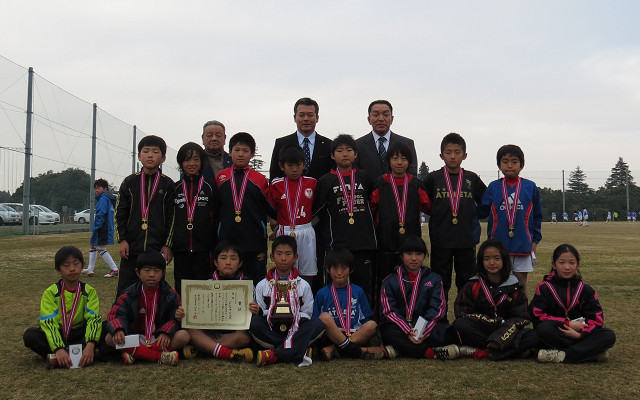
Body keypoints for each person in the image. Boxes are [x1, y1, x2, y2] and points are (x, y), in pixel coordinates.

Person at [313, 134, 377, 303]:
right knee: (336, 286)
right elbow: (317, 212)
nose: (345, 154)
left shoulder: (364, 177)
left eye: (349, 150)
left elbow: (374, 203)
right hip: (337, 244)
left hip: (363, 243)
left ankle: (365, 324)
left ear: (356, 154)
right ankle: (335, 321)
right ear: (332, 155)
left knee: (363, 287)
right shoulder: (326, 180)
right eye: (339, 150)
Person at [424, 133, 486, 301]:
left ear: (464, 155)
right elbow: (424, 203)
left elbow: (486, 202)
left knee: (466, 281)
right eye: (448, 152)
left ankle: (464, 318)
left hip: (466, 239)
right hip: (440, 240)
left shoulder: (471, 178)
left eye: (457, 152)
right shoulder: (433, 178)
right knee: (440, 281)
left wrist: (473, 217)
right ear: (441, 155)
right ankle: (439, 319)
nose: (452, 156)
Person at [452, 239, 538, 360]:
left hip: (507, 331)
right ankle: (509, 351)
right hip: (481, 330)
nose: (492, 263)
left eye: (497, 258)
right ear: (481, 261)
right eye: (487, 259)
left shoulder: (514, 286)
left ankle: (482, 352)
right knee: (459, 325)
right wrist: (491, 322)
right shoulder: (473, 284)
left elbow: (521, 317)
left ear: (504, 260)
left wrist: (501, 336)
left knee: (533, 336)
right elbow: (462, 312)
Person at [530, 244, 616, 363]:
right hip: (558, 333)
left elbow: (596, 318)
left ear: (577, 265)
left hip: (581, 335)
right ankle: (588, 352)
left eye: (571, 262)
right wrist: (567, 323)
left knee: (609, 335)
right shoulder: (544, 288)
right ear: (554, 265)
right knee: (542, 329)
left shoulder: (586, 289)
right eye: (561, 262)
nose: (567, 267)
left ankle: (562, 355)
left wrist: (581, 334)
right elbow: (537, 316)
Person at [379, 236, 461, 360]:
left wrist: (421, 331)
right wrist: (408, 330)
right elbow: (389, 311)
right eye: (409, 253)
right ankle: (430, 353)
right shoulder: (390, 281)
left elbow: (438, 310)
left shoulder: (434, 279)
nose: (414, 258)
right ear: (401, 256)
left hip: (426, 327)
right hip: (401, 327)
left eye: (419, 254)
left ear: (425, 256)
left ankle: (400, 349)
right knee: (387, 331)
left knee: (448, 333)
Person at [249, 236, 325, 366]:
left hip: (297, 328)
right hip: (271, 328)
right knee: (253, 323)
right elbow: (261, 311)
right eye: (279, 254)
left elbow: (308, 312)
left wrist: (292, 317)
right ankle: (298, 350)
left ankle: (275, 354)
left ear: (295, 257)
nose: (283, 258)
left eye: (288, 254)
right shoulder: (263, 285)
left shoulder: (303, 285)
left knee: (317, 324)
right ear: (272, 257)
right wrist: (262, 312)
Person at [115, 135, 175, 295]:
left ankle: (157, 317)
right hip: (132, 249)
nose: (150, 155)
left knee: (156, 289)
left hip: (156, 250)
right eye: (146, 151)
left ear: (162, 158)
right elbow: (119, 213)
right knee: (126, 290)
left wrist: (167, 244)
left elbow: (172, 217)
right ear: (139, 156)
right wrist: (122, 240)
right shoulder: (129, 182)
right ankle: (120, 318)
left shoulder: (167, 184)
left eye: (155, 152)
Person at [23, 246, 103, 368]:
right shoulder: (51, 292)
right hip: (59, 332)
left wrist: (90, 344)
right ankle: (69, 355)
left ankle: (64, 357)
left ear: (82, 265)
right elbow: (48, 323)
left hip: (80, 333)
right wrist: (58, 348)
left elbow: (93, 319)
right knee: (30, 335)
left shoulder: (89, 291)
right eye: (66, 265)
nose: (72, 269)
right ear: (58, 269)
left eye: (76, 264)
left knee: (106, 327)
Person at [105, 251, 190, 366]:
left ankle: (135, 354)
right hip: (134, 338)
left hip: (159, 338)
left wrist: (166, 331)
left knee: (184, 336)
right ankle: (159, 356)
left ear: (163, 273)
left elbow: (174, 318)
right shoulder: (129, 293)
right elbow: (116, 314)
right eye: (146, 270)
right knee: (110, 338)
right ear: (138, 272)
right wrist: (119, 329)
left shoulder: (170, 295)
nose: (151, 274)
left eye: (157, 271)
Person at [370, 141, 431, 299]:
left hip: (410, 245)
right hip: (385, 245)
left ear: (409, 162)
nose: (399, 162)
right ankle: (383, 317)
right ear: (389, 160)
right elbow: (371, 210)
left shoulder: (416, 184)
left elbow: (429, 207)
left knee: (409, 282)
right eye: (395, 158)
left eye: (403, 159)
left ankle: (410, 313)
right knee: (384, 282)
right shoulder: (380, 184)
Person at [478, 144, 542, 294]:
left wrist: (535, 240)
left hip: (522, 243)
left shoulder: (530, 187)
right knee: (497, 282)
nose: (510, 165)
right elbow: (481, 211)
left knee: (520, 284)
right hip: (498, 244)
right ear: (499, 165)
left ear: (521, 165)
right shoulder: (493, 187)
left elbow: (538, 215)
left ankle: (521, 314)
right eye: (505, 161)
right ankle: (498, 314)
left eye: (514, 161)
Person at [215, 132, 276, 285]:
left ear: (252, 154)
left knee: (256, 279)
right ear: (229, 152)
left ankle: (256, 309)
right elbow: (215, 208)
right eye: (237, 150)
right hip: (228, 238)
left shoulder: (259, 179)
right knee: (228, 279)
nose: (240, 154)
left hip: (254, 239)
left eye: (245, 151)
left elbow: (270, 208)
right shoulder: (221, 178)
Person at [313, 248, 394, 360]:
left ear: (351, 270)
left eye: (344, 268)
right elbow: (316, 319)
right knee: (325, 317)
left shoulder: (358, 291)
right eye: (335, 268)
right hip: (332, 335)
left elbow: (366, 318)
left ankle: (337, 348)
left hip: (354, 334)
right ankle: (355, 350)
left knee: (372, 325)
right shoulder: (322, 293)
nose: (339, 272)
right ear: (327, 269)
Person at [185, 241, 256, 362]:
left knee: (244, 338)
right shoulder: (206, 284)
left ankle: (204, 348)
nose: (228, 262)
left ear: (240, 263)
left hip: (234, 334)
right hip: (211, 332)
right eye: (223, 258)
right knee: (189, 331)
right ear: (216, 263)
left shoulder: (248, 285)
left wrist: (255, 309)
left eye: (233, 258)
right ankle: (228, 353)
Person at [268, 145, 318, 285]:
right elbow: (272, 209)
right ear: (282, 166)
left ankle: (305, 298)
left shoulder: (312, 182)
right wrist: (274, 222)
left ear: (304, 164)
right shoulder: (276, 184)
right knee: (284, 268)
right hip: (285, 230)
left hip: (306, 230)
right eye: (290, 165)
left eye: (298, 165)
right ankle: (286, 301)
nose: (295, 169)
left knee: (308, 270)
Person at [172, 142, 216, 295]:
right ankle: (181, 318)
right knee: (181, 286)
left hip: (203, 248)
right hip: (180, 248)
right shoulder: (175, 188)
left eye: (196, 159)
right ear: (181, 163)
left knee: (202, 286)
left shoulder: (210, 187)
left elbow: (216, 216)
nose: (191, 164)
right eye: (187, 159)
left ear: (202, 162)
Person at [354, 100, 418, 184]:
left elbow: (411, 174)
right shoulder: (357, 145)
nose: (381, 119)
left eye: (385, 114)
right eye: (376, 115)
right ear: (369, 119)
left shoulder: (407, 144)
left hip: (400, 194)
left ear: (392, 119)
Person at [269, 97, 333, 181]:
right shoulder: (281, 144)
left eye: (310, 115)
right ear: (295, 118)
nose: (306, 119)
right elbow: (275, 176)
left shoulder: (329, 145)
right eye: (301, 115)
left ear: (317, 118)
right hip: (289, 193)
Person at [81, 178, 119, 278]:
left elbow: (101, 214)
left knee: (100, 248)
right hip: (106, 226)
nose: (96, 190)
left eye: (99, 188)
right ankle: (90, 269)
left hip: (103, 227)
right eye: (95, 188)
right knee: (92, 245)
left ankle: (114, 269)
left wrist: (96, 227)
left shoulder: (103, 199)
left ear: (105, 188)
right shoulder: (109, 198)